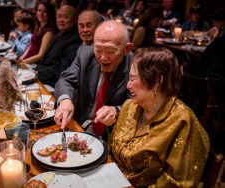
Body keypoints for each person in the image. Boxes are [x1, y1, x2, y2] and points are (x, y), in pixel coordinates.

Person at [109, 47, 210, 187]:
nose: (128, 85)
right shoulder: (129, 106)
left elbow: (179, 184)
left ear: (156, 81)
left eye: (133, 79)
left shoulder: (183, 122)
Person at [54, 20, 133, 141]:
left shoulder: (135, 65)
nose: (103, 57)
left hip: (112, 135)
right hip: (77, 126)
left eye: (110, 51)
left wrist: (117, 110)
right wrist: (65, 100)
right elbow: (66, 80)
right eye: (98, 50)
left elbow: (135, 102)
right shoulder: (85, 54)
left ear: (127, 49)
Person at [34, 5, 82, 87]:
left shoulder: (75, 40)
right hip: (41, 76)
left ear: (74, 20)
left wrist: (38, 72)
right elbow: (45, 60)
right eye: (59, 17)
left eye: (65, 17)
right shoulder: (57, 35)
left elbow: (62, 70)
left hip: (54, 84)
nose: (61, 20)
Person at [195, 10, 225, 119]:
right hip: (211, 92)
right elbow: (215, 75)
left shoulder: (218, 44)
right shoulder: (220, 45)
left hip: (201, 91)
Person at [18, 0, 57, 70]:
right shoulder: (38, 26)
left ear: (49, 13)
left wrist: (23, 62)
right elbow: (31, 46)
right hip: (27, 61)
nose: (41, 14)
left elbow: (40, 55)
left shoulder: (49, 31)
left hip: (34, 65)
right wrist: (21, 58)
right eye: (39, 10)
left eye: (44, 12)